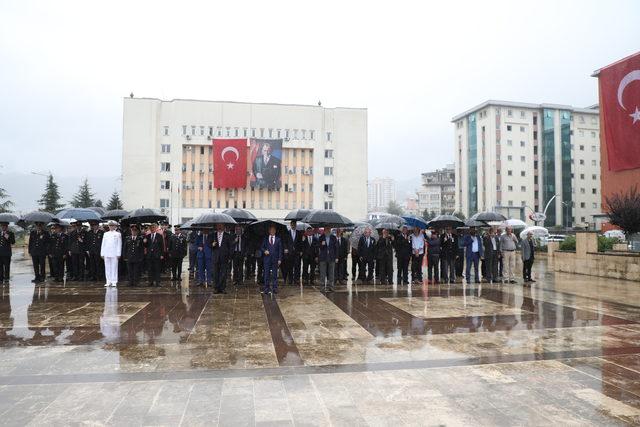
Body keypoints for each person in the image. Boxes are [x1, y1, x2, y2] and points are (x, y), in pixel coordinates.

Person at [211, 223, 233, 294]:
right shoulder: (213, 235)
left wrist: (230, 257)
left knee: (223, 273)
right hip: (216, 257)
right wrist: (212, 244)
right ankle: (216, 288)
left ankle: (222, 288)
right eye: (218, 225)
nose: (220, 227)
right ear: (216, 226)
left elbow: (231, 247)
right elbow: (208, 243)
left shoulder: (228, 236)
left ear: (224, 227)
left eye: (221, 226)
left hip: (224, 257)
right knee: (215, 273)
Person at [261, 225, 283, 294]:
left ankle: (275, 288)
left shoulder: (278, 239)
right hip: (267, 259)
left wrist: (280, 259)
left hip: (275, 259)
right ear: (269, 231)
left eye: (274, 230)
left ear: (275, 231)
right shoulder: (265, 239)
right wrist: (264, 251)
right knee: (266, 274)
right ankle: (266, 288)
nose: (272, 231)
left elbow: (280, 250)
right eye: (271, 230)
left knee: (274, 274)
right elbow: (261, 247)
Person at [100, 220, 122, 287]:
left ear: (115, 226)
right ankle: (108, 281)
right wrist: (102, 253)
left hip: (114, 253)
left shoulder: (118, 234)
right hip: (106, 252)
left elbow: (119, 244)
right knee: (107, 267)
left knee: (114, 267)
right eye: (110, 225)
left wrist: (119, 253)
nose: (111, 227)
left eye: (112, 225)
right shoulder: (105, 234)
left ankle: (114, 281)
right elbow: (103, 244)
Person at [317, 227, 338, 292]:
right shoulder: (321, 237)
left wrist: (336, 257)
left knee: (331, 273)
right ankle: (322, 287)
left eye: (329, 229)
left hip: (331, 257)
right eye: (326, 229)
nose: (328, 231)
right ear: (324, 230)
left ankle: (331, 287)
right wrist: (322, 244)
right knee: (323, 273)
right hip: (323, 258)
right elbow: (319, 247)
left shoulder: (333, 237)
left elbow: (336, 248)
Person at [144, 223, 164, 287]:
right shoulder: (148, 236)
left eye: (153, 228)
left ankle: (158, 282)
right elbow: (146, 246)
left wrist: (162, 254)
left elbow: (162, 246)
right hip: (150, 255)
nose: (152, 229)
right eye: (151, 228)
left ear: (156, 228)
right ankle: (151, 282)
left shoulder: (159, 236)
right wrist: (144, 242)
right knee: (150, 269)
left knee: (157, 269)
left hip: (157, 255)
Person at [282, 220, 301, 285]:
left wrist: (300, 251)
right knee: (289, 267)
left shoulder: (299, 233)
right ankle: (290, 279)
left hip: (296, 253)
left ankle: (296, 280)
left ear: (296, 225)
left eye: (294, 225)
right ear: (290, 225)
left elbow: (300, 243)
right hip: (289, 253)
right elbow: (284, 242)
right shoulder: (287, 233)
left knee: (297, 266)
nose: (293, 226)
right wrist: (285, 248)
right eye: (292, 224)